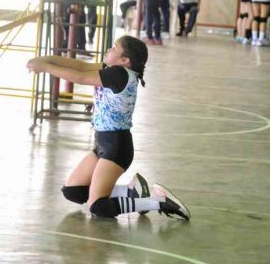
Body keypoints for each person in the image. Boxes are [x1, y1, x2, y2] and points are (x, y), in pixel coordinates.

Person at [26, 36, 190, 220]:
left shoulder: (119, 74)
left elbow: (79, 76)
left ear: (124, 60)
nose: (108, 49)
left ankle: (158, 201)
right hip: (103, 145)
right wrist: (47, 59)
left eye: (113, 47)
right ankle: (131, 192)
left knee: (98, 207)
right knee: (73, 191)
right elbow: (79, 66)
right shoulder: (114, 70)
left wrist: (46, 67)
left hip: (116, 147)